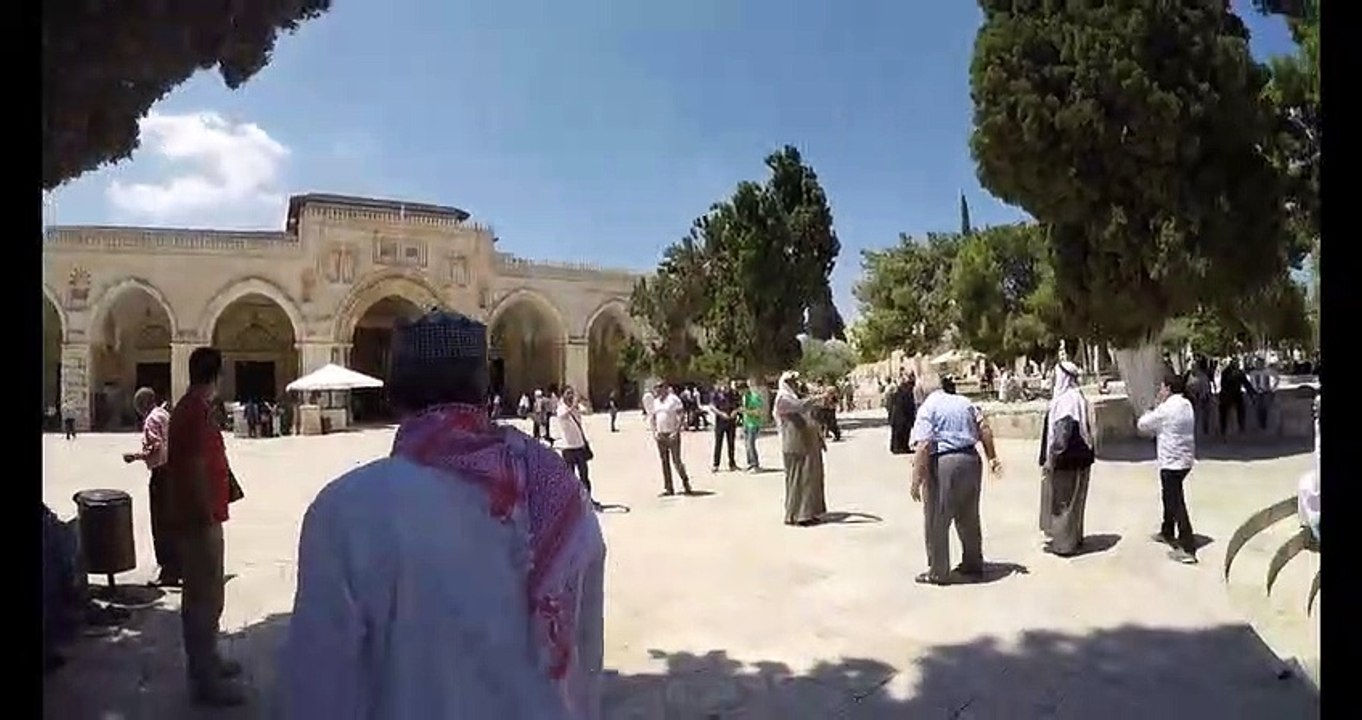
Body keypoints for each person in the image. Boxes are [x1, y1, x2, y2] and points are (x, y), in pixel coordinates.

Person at [280, 310, 606, 719]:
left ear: (393, 393)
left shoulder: (345, 511)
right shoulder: (559, 495)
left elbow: (318, 689)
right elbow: (586, 653)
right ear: (487, 388)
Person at [165, 347, 246, 706]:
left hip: (204, 514)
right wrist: (205, 514)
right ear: (216, 376)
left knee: (208, 595)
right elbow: (194, 465)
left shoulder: (193, 408)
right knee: (203, 598)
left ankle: (209, 659)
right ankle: (204, 679)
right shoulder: (194, 412)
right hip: (200, 519)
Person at [909, 375, 1003, 585]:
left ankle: (938, 571)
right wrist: (992, 458)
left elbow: (924, 445)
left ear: (922, 391)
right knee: (968, 516)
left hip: (944, 463)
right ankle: (973, 564)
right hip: (971, 459)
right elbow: (984, 429)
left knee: (937, 518)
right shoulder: (964, 402)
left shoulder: (927, 408)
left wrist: (916, 478)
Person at [1137, 372, 1199, 565]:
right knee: (1169, 495)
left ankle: (1188, 547)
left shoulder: (1167, 408)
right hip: (1185, 459)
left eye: (1162, 387)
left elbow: (1143, 424)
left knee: (1176, 501)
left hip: (1171, 462)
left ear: (1168, 389)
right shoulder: (1187, 404)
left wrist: (1152, 407)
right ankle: (1167, 531)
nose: (1160, 391)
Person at [122, 387, 179, 587]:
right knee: (172, 522)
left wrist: (135, 456)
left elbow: (157, 446)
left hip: (161, 474)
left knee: (160, 523)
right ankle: (177, 567)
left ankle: (168, 571)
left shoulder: (151, 420)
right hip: (174, 472)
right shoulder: (164, 414)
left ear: (141, 404)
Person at [1038, 362, 1095, 557]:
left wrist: (1051, 459)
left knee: (1062, 501)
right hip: (1081, 459)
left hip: (1066, 460)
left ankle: (1064, 544)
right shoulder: (1078, 397)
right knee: (1075, 500)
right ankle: (1074, 538)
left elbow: (1061, 435)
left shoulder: (1065, 402)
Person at [774, 372, 827, 526]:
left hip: (806, 443)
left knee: (809, 478)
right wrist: (820, 396)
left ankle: (810, 512)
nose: (795, 385)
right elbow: (800, 407)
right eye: (792, 382)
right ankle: (798, 515)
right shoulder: (783, 399)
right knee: (798, 479)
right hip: (795, 445)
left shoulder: (794, 397)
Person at [557, 386, 602, 511]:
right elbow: (564, 416)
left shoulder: (575, 408)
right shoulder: (561, 408)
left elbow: (589, 412)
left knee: (584, 476)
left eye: (572, 393)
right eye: (568, 393)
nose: (571, 396)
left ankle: (587, 500)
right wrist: (574, 405)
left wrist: (584, 402)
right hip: (568, 447)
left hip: (580, 446)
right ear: (563, 396)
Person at [647, 382, 694, 496]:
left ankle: (685, 482)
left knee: (676, 461)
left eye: (659, 387)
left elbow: (681, 415)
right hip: (661, 435)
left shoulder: (674, 400)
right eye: (656, 388)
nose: (657, 390)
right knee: (664, 462)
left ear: (665, 388)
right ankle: (669, 487)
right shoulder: (656, 402)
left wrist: (677, 431)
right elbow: (652, 418)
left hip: (672, 434)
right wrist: (655, 432)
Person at [710, 380, 740, 472]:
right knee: (718, 443)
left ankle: (732, 463)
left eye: (726, 382)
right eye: (722, 382)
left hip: (731, 421)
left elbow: (739, 405)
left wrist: (735, 412)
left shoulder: (734, 393)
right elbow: (712, 407)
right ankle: (716, 464)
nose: (724, 384)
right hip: (720, 422)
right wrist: (721, 414)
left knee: (731, 443)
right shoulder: (716, 394)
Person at [887, 372, 917, 455]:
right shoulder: (907, 390)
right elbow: (908, 404)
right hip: (903, 415)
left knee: (897, 432)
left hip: (896, 414)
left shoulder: (899, 389)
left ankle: (896, 448)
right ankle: (902, 447)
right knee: (903, 432)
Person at [1248, 356, 1280, 434]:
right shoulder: (1253, 373)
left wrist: (1273, 388)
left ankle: (1264, 424)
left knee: (1265, 407)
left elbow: (1277, 379)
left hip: (1266, 391)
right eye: (1257, 363)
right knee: (1257, 408)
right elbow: (1250, 383)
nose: (1258, 365)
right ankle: (1260, 424)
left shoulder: (1268, 371)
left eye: (1260, 363)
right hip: (1256, 392)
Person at [1218, 358, 1249, 437]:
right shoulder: (1226, 372)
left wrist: (1253, 393)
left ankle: (1240, 427)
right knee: (1224, 411)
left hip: (1234, 394)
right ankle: (1224, 429)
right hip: (1228, 394)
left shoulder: (1238, 373)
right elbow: (1223, 384)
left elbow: (1247, 384)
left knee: (1240, 409)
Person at [1185, 356, 1214, 436]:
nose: (1193, 368)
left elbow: (1206, 387)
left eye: (1195, 366)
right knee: (1195, 414)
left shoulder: (1202, 376)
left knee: (1204, 414)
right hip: (1194, 398)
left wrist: (1205, 395)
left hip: (1203, 397)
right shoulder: (1190, 376)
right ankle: (1195, 429)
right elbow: (1187, 387)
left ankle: (1205, 428)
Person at [739, 381, 765, 472]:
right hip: (746, 423)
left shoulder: (755, 397)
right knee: (746, 444)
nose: (740, 393)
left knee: (751, 444)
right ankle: (750, 463)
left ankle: (755, 464)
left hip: (754, 424)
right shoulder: (744, 398)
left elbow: (758, 412)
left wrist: (746, 411)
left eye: (741, 390)